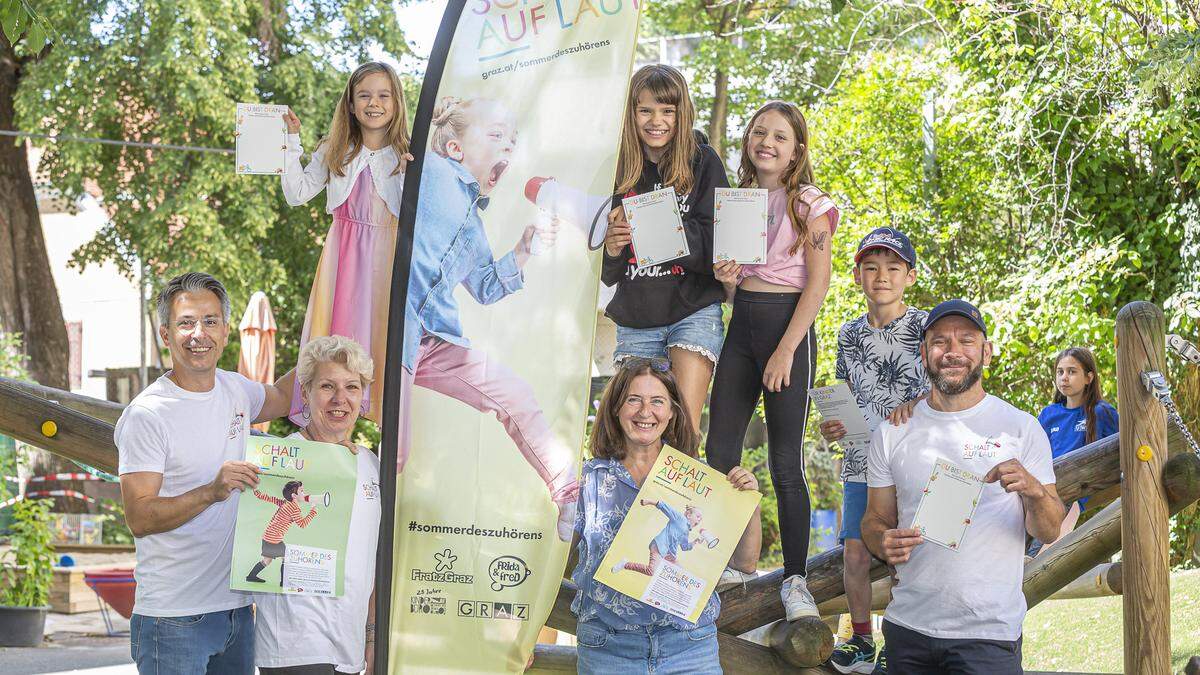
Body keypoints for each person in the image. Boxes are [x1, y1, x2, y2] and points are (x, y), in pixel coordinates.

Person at [400, 95, 576, 541]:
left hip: (434, 340)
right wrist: (421, 133)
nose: (508, 148)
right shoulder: (430, 174)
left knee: (514, 394)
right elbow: (395, 162)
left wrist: (522, 250)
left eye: (512, 142)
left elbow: (485, 287)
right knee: (396, 450)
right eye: (496, 136)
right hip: (392, 332)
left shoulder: (475, 226)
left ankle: (569, 492)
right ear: (455, 148)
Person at [861, 300, 1065, 674]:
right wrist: (882, 540)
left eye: (966, 341)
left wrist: (1034, 490)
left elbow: (1050, 529)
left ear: (985, 351)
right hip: (907, 629)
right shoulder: (893, 431)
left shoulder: (1020, 429)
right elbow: (874, 519)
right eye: (940, 342)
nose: (953, 352)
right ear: (924, 353)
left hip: (987, 635)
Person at [115, 272, 295, 674]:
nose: (199, 334)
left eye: (210, 321)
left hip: (235, 610)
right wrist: (211, 491)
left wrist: (329, 343)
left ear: (226, 330)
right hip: (172, 618)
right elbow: (140, 518)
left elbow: (284, 397)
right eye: (186, 323)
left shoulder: (237, 391)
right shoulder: (148, 415)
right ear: (166, 333)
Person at [704, 100, 837, 622]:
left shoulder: (809, 203)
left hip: (789, 330)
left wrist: (786, 349)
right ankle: (733, 562)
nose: (768, 142)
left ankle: (796, 580)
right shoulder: (737, 202)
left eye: (780, 137)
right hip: (743, 328)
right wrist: (726, 275)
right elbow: (735, 291)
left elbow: (819, 282)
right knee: (719, 450)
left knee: (785, 461)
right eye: (760, 133)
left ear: (796, 150)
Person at [571, 358, 762, 674]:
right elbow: (552, 561)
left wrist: (749, 505)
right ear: (616, 408)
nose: (645, 412)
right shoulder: (587, 479)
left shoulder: (699, 481)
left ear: (672, 411)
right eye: (634, 399)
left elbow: (745, 563)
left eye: (657, 401)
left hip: (688, 647)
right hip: (608, 649)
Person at [817, 226, 927, 673]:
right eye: (871, 268)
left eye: (893, 268)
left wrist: (914, 403)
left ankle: (901, 644)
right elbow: (847, 395)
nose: (882, 276)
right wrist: (832, 425)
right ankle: (861, 640)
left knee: (908, 553)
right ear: (858, 276)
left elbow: (949, 384)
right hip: (861, 458)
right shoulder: (848, 334)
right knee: (856, 553)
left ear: (910, 277)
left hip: (914, 460)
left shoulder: (926, 325)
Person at [281, 61, 411, 426]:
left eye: (384, 95)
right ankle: (330, 436)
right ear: (351, 104)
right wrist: (292, 142)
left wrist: (406, 173)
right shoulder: (336, 149)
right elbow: (297, 193)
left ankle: (384, 454)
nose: (374, 103)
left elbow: (411, 217)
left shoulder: (407, 156)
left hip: (386, 265)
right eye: (364, 95)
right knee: (335, 347)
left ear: (397, 103)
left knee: (384, 345)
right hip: (343, 262)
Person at [602, 64, 730, 433]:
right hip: (636, 316)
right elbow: (607, 272)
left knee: (681, 430)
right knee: (641, 433)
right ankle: (641, 495)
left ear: (681, 113)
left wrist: (662, 233)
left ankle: (678, 494)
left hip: (693, 311)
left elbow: (718, 246)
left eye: (667, 111)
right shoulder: (617, 168)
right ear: (631, 113)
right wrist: (612, 249)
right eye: (645, 110)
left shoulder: (703, 162)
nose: (656, 121)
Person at [254, 335, 381, 675]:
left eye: (352, 387)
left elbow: (373, 560)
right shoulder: (277, 462)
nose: (340, 399)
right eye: (327, 386)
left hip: (349, 652)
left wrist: (371, 640)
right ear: (306, 393)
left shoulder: (371, 466)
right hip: (293, 650)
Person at [1029, 346, 1118, 555]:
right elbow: (1034, 453)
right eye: (1060, 372)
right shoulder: (1049, 414)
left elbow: (1124, 447)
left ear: (1089, 377)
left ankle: (1032, 558)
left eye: (1072, 371)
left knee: (1040, 553)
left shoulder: (1102, 412)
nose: (1064, 378)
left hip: (1075, 490)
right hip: (1044, 487)